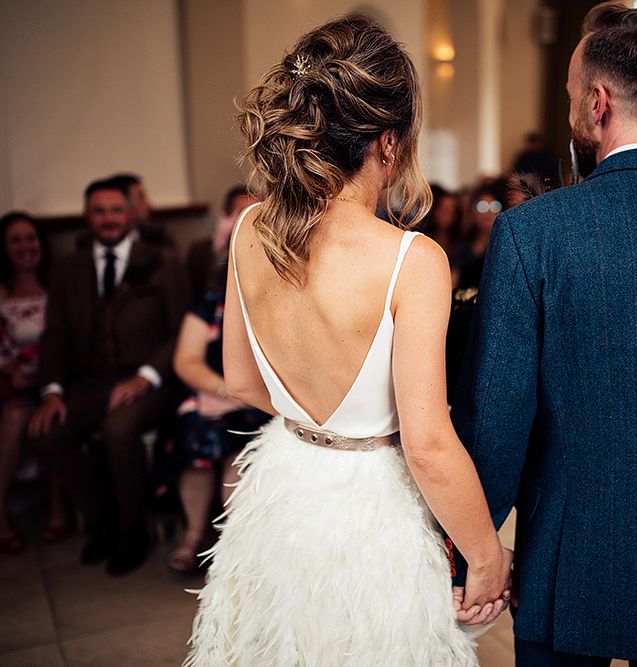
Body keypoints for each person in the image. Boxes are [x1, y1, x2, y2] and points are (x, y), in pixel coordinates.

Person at [184, 15, 512, 666]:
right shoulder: (412, 258)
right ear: (387, 141)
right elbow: (426, 443)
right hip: (370, 507)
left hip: (282, 484)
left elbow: (243, 382)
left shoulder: (251, 228)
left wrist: (316, 423)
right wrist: (483, 556)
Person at [451, 3, 637, 665]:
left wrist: (472, 546)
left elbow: (498, 411)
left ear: (597, 103)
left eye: (573, 94)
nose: (572, 105)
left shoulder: (531, 231)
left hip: (567, 552)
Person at [29, 178, 188, 576]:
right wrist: (51, 391)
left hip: (149, 381)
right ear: (87, 216)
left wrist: (147, 376)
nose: (108, 219)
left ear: (131, 213)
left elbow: (182, 328)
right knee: (48, 434)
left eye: (116, 210)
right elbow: (55, 334)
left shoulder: (163, 260)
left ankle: (133, 531)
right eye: (98, 211)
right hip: (90, 382)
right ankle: (104, 518)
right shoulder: (69, 268)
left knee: (119, 428)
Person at [168, 266, 270, 573]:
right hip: (214, 392)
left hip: (264, 398)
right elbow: (186, 361)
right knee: (200, 438)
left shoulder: (276, 297)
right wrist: (226, 391)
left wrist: (249, 394)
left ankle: (234, 540)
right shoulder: (211, 302)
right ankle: (194, 535)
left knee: (242, 450)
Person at [0, 212, 67, 552]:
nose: (26, 246)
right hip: (14, 387)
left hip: (56, 382)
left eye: (31, 238)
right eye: (16, 240)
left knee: (53, 418)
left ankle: (58, 510)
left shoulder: (58, 286)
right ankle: (1, 515)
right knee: (15, 418)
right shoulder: (2, 294)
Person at [186, 186, 258, 304]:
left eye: (255, 213)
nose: (251, 221)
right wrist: (222, 249)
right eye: (243, 213)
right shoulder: (200, 252)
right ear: (225, 216)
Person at [452, 179, 505, 290]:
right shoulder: (462, 247)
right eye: (482, 207)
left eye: (494, 206)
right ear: (472, 212)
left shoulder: (506, 247)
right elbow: (453, 283)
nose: (488, 213)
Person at [421, 183, 463, 284]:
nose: (447, 215)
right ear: (434, 210)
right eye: (443, 210)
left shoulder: (460, 245)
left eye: (452, 211)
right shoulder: (422, 240)